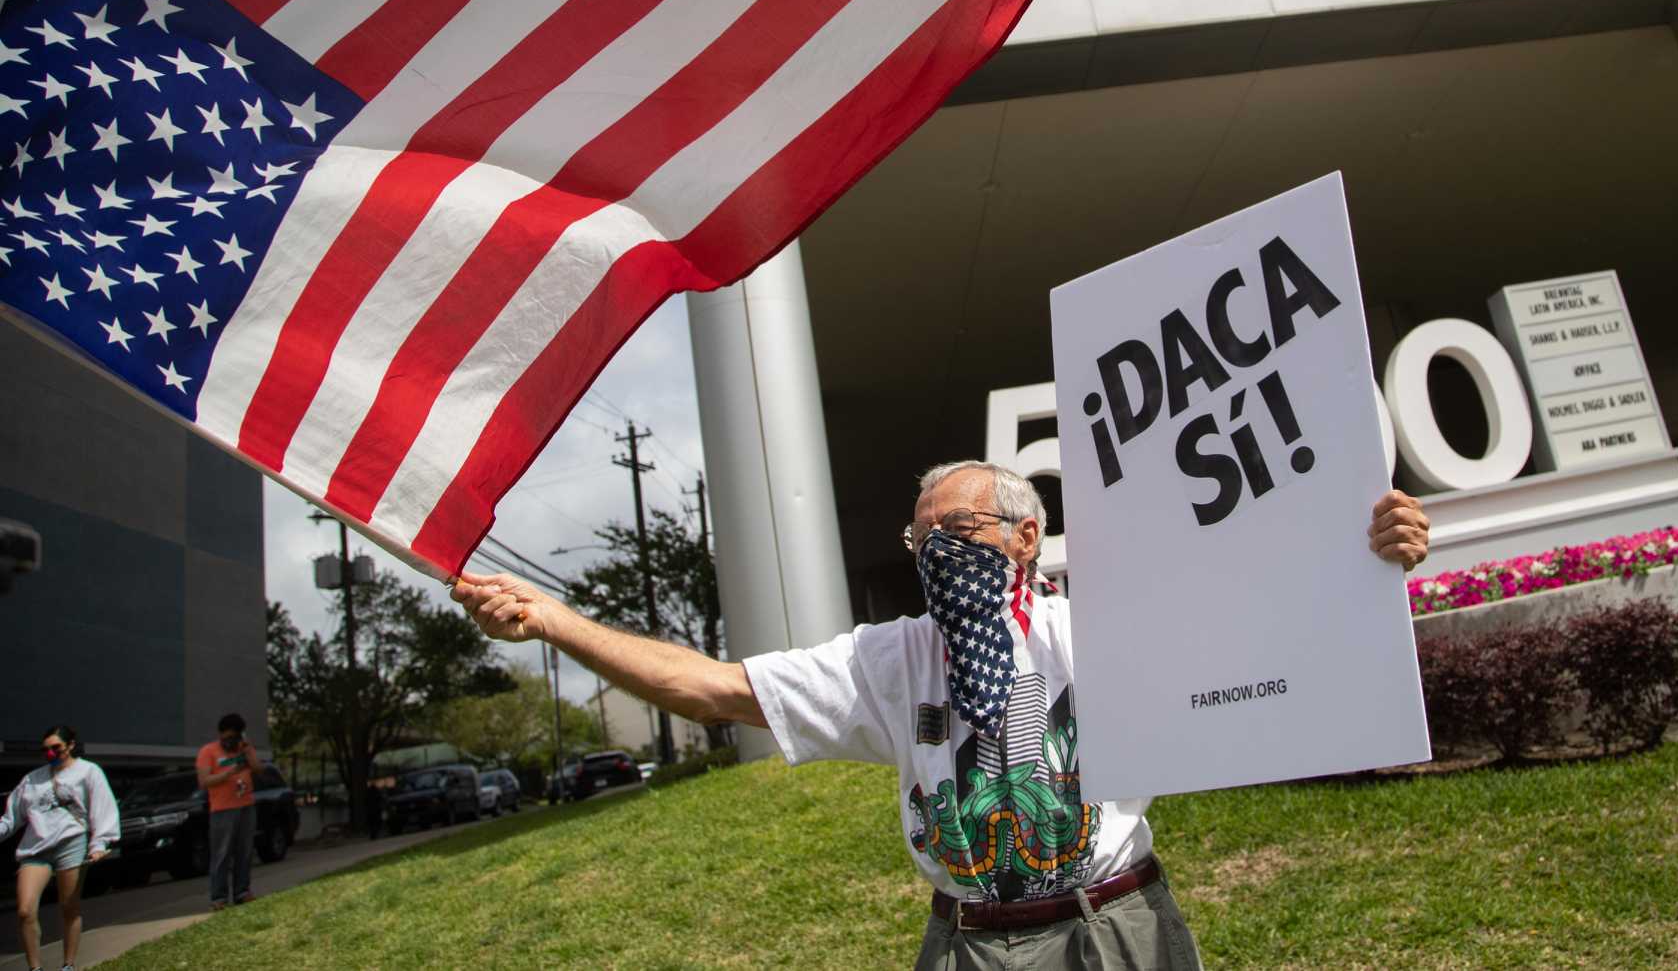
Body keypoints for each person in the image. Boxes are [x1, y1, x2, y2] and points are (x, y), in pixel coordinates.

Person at [455, 460, 1430, 969]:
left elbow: (1264, 626)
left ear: (1026, 535)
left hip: (1114, 927)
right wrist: (558, 619)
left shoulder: (1102, 625)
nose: (932, 553)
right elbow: (711, 688)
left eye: (954, 532)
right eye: (917, 539)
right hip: (965, 942)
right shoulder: (888, 659)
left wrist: (1368, 550)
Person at [1, 725, 118, 971]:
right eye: (46, 750)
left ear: (71, 745)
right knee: (24, 910)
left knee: (69, 907)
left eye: (57, 748)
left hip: (71, 843)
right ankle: (35, 968)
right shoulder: (32, 780)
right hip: (36, 848)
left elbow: (102, 808)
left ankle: (68, 965)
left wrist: (99, 843)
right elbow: (12, 818)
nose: (51, 754)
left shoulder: (88, 772)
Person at [194, 713, 259, 911]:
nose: (230, 742)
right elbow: (204, 782)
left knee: (245, 852)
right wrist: (229, 772)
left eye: (235, 737)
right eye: (227, 737)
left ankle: (242, 891)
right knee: (221, 854)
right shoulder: (208, 752)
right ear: (221, 735)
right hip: (222, 810)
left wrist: (248, 751)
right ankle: (219, 897)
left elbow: (258, 769)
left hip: (246, 806)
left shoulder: (244, 749)